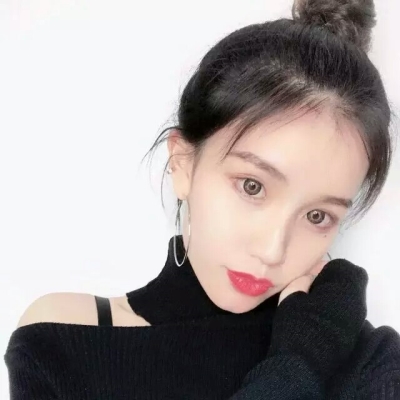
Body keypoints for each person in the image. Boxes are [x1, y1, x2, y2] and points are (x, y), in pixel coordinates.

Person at [4, 0, 400, 398]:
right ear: (183, 164)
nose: (271, 251)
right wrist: (298, 365)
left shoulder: (376, 365)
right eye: (252, 186)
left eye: (317, 215)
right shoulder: (63, 340)